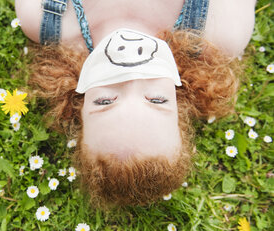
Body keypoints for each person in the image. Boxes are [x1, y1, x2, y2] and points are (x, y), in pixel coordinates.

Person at [15, 0, 256, 207]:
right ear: (179, 99)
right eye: (156, 99)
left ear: (79, 103)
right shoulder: (220, 31)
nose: (132, 76)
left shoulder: (42, 17)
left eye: (105, 101)